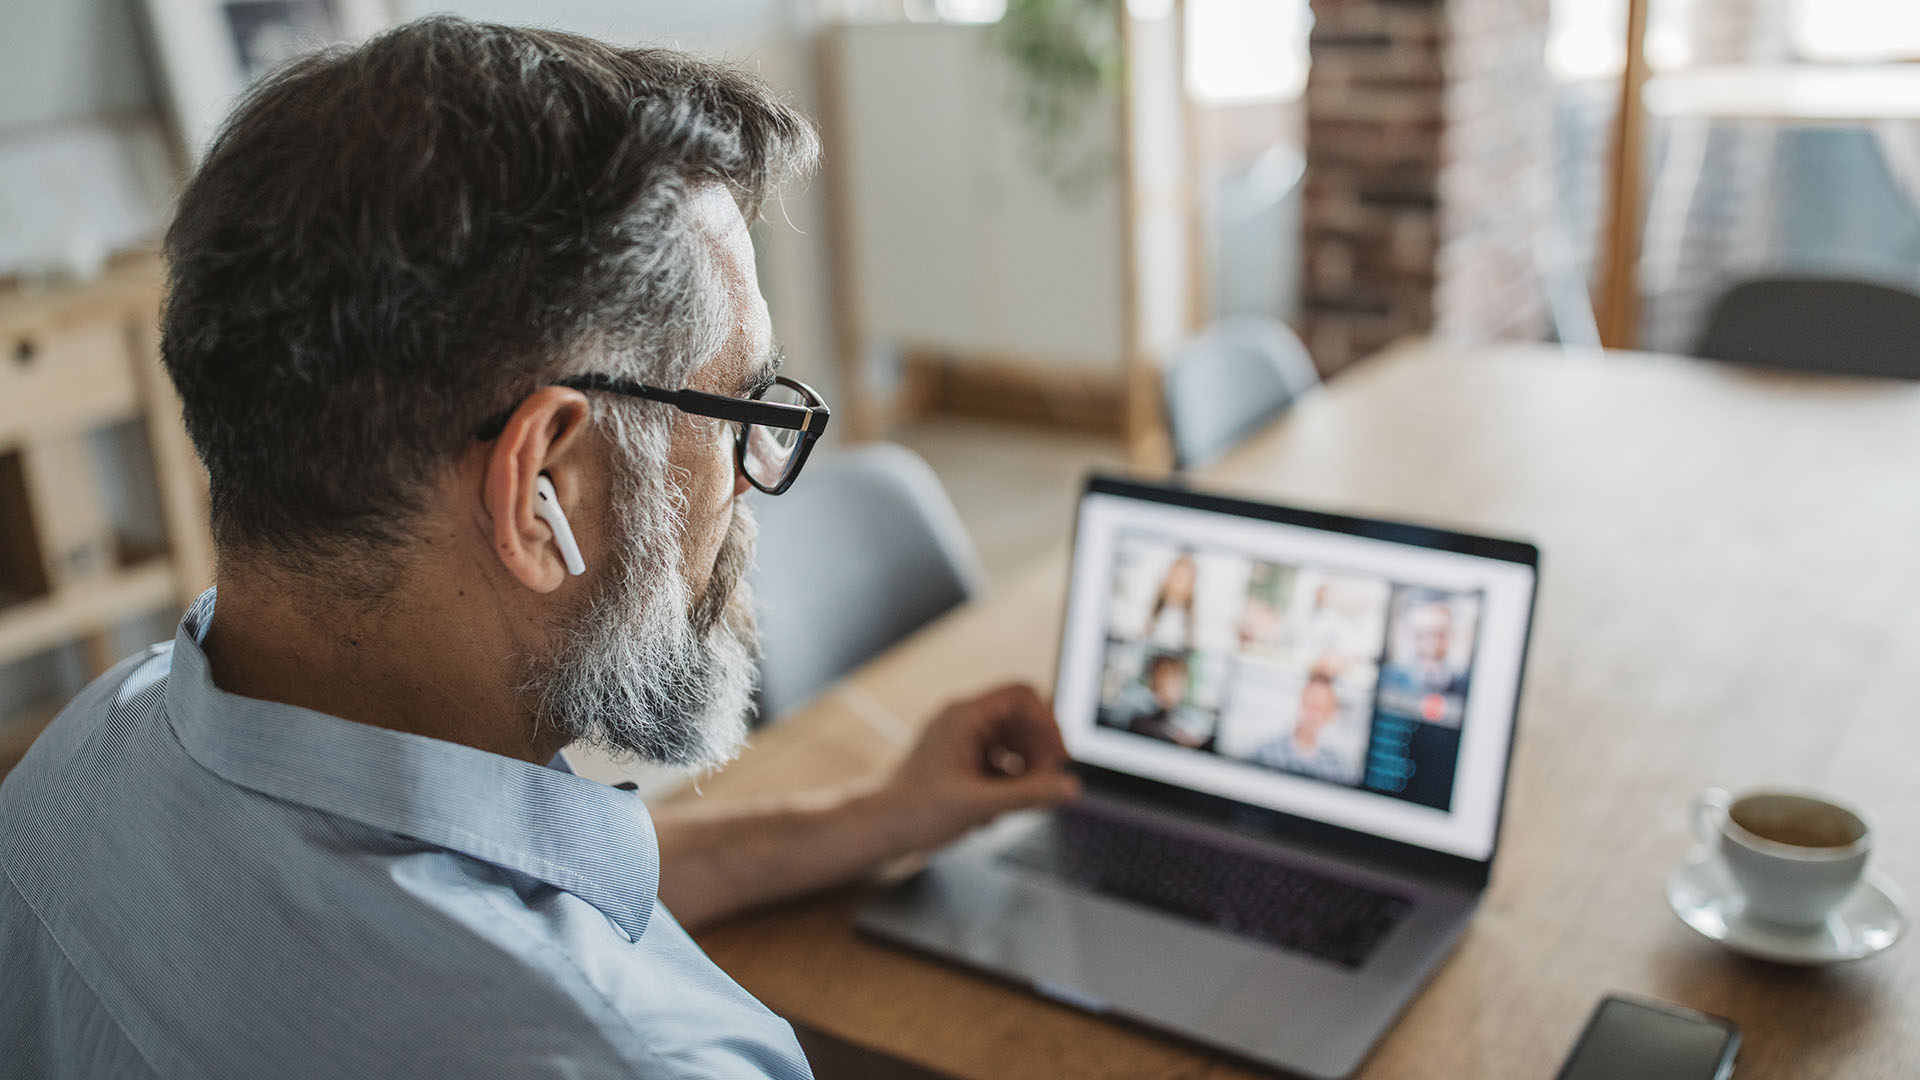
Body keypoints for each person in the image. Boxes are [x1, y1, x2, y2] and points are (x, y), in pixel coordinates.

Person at [0, 20, 1079, 1080]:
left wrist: (871, 819)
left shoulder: (79, 759)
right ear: (542, 492)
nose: (753, 480)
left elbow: (477, 897)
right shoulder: (646, 1058)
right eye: (740, 405)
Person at [1249, 671, 1354, 782]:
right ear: (1300, 702)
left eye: (1321, 708)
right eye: (1310, 705)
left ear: (1329, 713)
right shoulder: (1266, 753)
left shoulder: (1337, 768)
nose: (1313, 714)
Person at [1106, 652, 1213, 749]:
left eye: (1171, 682)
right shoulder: (1137, 713)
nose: (1163, 689)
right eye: (1159, 681)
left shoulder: (1195, 721)